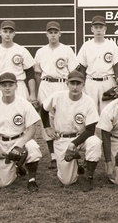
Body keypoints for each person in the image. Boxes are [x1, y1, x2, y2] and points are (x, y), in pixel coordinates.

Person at [40, 70, 102, 191]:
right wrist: (47, 127)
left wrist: (74, 144)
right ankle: (75, 166)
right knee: (67, 181)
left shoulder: (88, 101)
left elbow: (90, 130)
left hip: (81, 137)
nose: (75, 87)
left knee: (95, 142)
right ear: (67, 84)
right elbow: (43, 108)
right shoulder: (57, 96)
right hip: (62, 138)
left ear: (83, 85)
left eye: (78, 83)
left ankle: (89, 176)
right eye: (72, 83)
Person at [0, 72, 42, 192]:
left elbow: (31, 129)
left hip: (20, 139)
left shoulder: (24, 104)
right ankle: (17, 167)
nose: (7, 88)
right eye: (4, 85)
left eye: (10, 84)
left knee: (33, 147)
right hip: (1, 142)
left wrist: (19, 145)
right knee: (3, 184)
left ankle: (32, 180)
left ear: (16, 86)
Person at [34, 21, 79, 169]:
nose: (53, 34)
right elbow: (37, 73)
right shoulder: (40, 51)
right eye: (50, 32)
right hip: (46, 83)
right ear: (46, 34)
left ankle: (68, 149)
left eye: (55, 32)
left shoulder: (67, 50)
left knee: (64, 116)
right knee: (46, 117)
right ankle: (53, 155)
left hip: (62, 83)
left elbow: (73, 71)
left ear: (59, 34)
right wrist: (35, 92)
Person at [0, 20, 37, 106]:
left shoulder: (22, 51)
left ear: (14, 34)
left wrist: (32, 94)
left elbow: (30, 74)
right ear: (0, 32)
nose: (8, 34)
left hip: (18, 86)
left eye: (10, 32)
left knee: (20, 114)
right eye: (5, 31)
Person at [76, 15, 118, 112]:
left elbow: (116, 67)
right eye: (96, 27)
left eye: (101, 27)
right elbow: (82, 68)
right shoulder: (87, 45)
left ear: (105, 28)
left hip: (107, 81)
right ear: (92, 29)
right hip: (90, 82)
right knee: (89, 111)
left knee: (108, 111)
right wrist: (81, 84)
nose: (98, 30)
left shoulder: (111, 45)